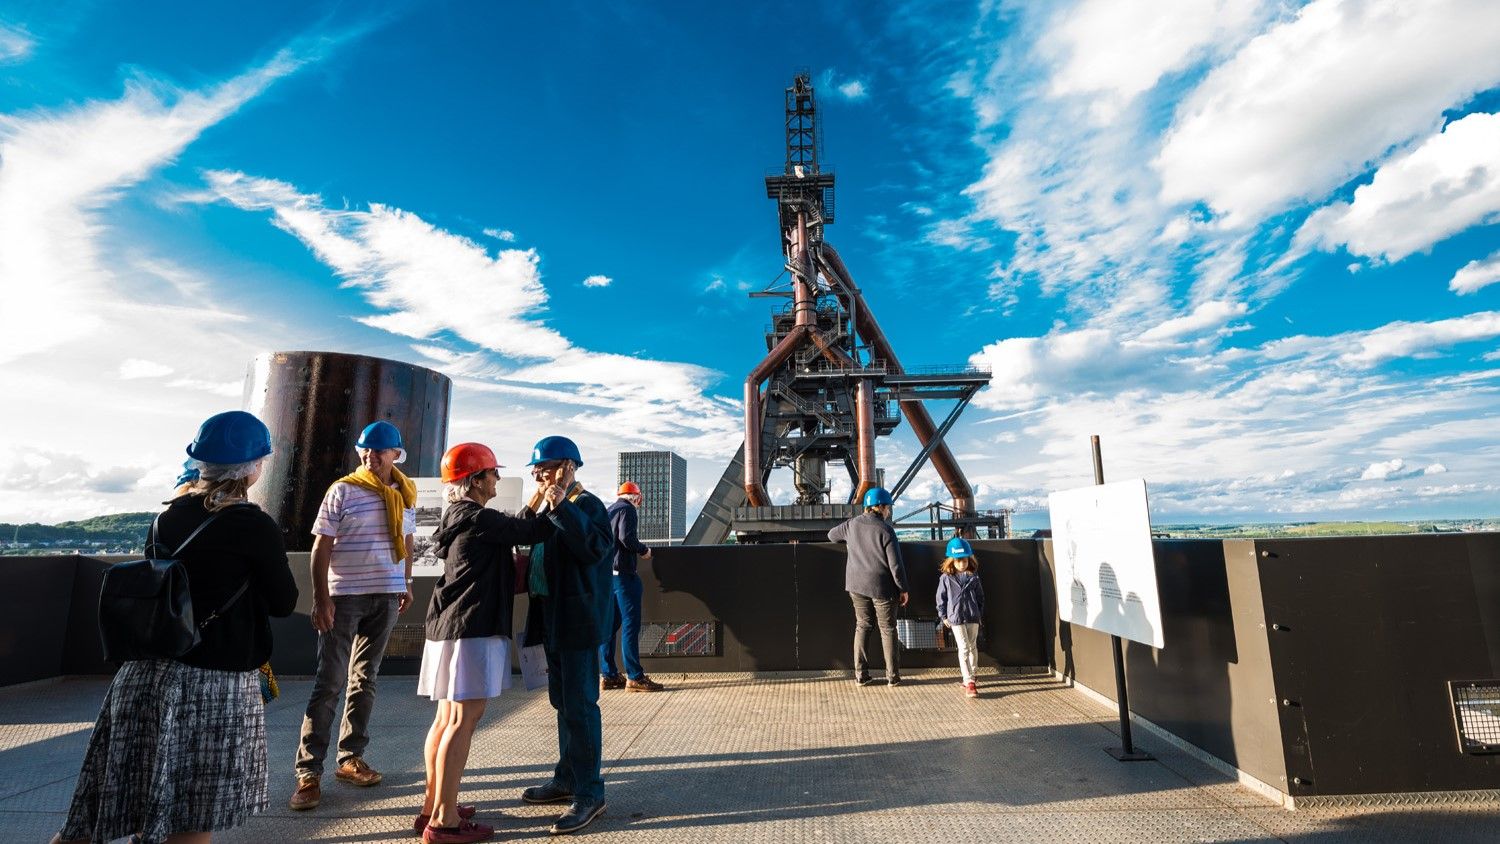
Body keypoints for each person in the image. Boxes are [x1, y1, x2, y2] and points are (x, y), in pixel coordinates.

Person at [54, 411, 298, 844]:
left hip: (144, 677)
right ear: (252, 467)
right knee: (190, 816)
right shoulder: (253, 524)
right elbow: (284, 603)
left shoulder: (163, 519)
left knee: (110, 807)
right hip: (213, 686)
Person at [416, 443, 557, 844]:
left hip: (448, 627)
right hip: (472, 629)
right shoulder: (480, 519)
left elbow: (514, 523)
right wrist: (555, 496)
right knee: (463, 721)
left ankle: (433, 803)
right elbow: (533, 530)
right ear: (475, 481)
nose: (496, 479)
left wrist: (537, 500)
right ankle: (444, 823)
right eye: (492, 473)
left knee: (445, 720)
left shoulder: (460, 516)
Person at [290, 420, 416, 810]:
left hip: (386, 596)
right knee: (329, 682)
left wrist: (406, 581)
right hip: (344, 597)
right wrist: (321, 598)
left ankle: (350, 759)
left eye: (378, 450)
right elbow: (321, 546)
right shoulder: (343, 490)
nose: (370, 456)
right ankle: (308, 772)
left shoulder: (405, 494)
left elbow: (408, 541)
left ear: (395, 454)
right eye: (365, 449)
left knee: (366, 679)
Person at [517, 436, 615, 835]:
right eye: (536, 468)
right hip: (550, 616)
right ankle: (567, 777)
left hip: (577, 620)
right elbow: (522, 534)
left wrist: (558, 504)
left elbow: (594, 550)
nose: (539, 473)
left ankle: (590, 792)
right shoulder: (548, 505)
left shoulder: (587, 505)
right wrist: (540, 502)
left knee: (580, 703)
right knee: (562, 701)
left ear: (568, 467)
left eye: (546, 466)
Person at [828, 487, 909, 687]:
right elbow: (895, 564)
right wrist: (903, 588)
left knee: (863, 626)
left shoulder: (851, 525)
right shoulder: (885, 529)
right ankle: (893, 677)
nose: (889, 511)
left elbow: (831, 535)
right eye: (888, 507)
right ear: (879, 507)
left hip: (856, 585)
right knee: (888, 629)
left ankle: (861, 675)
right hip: (882, 587)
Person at [599, 481, 663, 693]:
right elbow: (626, 537)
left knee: (609, 626)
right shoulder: (628, 510)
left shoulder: (609, 510)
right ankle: (634, 677)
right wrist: (643, 550)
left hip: (608, 575)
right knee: (630, 626)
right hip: (625, 576)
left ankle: (608, 675)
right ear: (635, 497)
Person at [935, 537, 986, 699]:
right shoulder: (945, 578)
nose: (962, 564)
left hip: (972, 617)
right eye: (958, 561)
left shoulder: (974, 577)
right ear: (952, 561)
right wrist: (943, 616)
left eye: (964, 560)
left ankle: (971, 674)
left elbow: (980, 598)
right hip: (956, 618)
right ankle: (969, 680)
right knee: (964, 647)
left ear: (968, 559)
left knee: (972, 646)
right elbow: (940, 599)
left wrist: (979, 614)